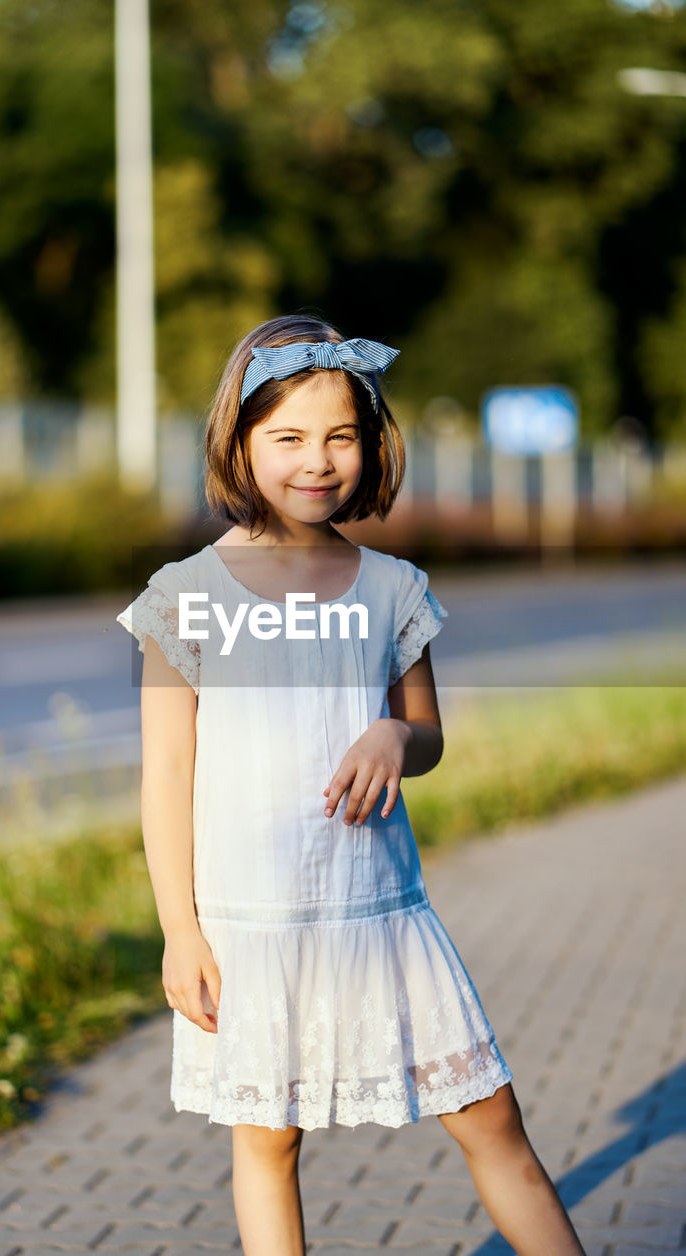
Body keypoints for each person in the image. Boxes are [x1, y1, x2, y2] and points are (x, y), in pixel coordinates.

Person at [116, 314, 585, 1256]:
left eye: (340, 436)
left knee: (491, 1122)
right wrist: (181, 931)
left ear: (370, 448)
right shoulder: (185, 595)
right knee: (269, 1144)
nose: (316, 461)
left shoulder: (392, 587)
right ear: (238, 444)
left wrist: (390, 734)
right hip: (251, 929)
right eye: (286, 438)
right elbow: (166, 774)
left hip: (381, 914)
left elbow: (426, 735)